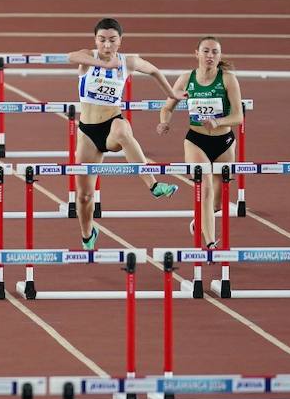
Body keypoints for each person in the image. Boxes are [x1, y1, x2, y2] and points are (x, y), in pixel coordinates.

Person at [67, 18, 181, 250]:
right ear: (95, 40)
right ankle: (88, 232)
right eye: (102, 40)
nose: (107, 46)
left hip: (112, 125)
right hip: (88, 134)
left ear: (120, 41)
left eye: (112, 40)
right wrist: (103, 65)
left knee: (122, 129)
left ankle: (153, 185)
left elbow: (155, 71)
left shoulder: (128, 62)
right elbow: (71, 56)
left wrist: (172, 94)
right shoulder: (88, 57)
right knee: (84, 196)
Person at [157, 37, 243, 248]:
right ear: (196, 53)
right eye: (206, 51)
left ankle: (201, 223)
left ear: (219, 56)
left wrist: (217, 121)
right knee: (204, 187)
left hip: (224, 141)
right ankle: (211, 243)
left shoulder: (228, 79)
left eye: (215, 52)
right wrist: (164, 122)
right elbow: (167, 107)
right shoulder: (186, 79)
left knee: (217, 202)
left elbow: (238, 116)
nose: (210, 56)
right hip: (196, 141)